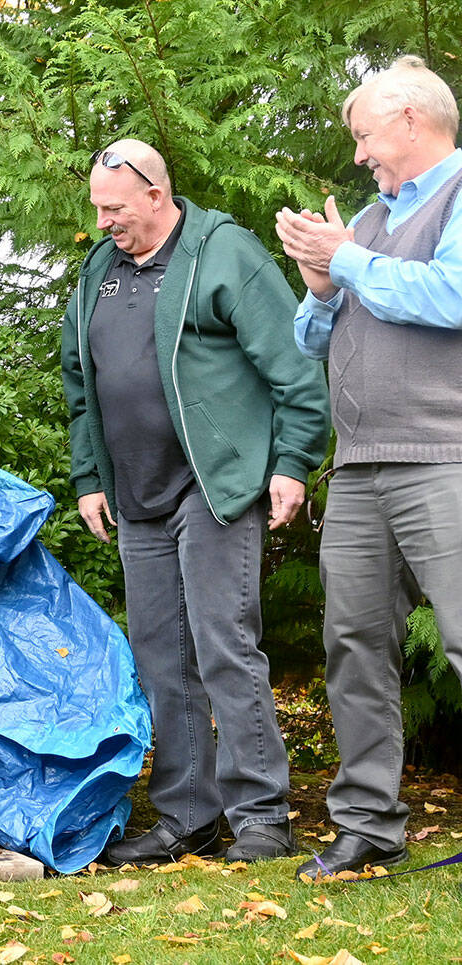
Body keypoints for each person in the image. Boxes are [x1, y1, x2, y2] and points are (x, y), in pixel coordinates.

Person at [61, 139, 330, 866]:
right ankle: (189, 816)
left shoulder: (222, 253)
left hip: (216, 486)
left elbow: (296, 367)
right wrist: (90, 476)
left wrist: (293, 462)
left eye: (113, 207)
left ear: (155, 194)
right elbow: (80, 385)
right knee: (160, 658)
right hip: (137, 495)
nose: (103, 219)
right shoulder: (98, 272)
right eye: (97, 207)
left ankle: (263, 817)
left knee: (223, 649)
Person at [276, 56, 462, 880]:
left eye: (365, 137)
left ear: (412, 123)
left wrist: (348, 261)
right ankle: (369, 826)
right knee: (353, 644)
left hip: (444, 458)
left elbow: (451, 297)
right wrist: (321, 284)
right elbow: (311, 339)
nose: (359, 156)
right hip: (357, 470)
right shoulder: (368, 220)